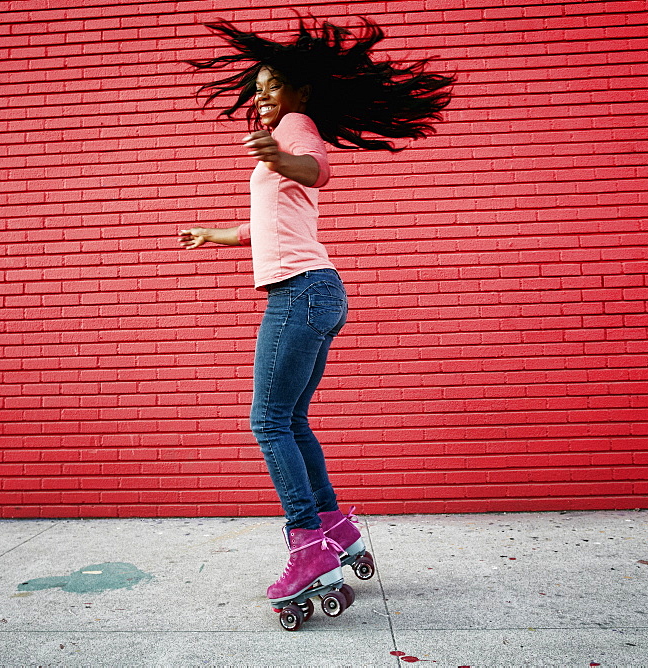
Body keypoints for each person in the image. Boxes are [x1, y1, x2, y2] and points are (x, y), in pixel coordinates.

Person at [180, 16, 453, 611]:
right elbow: (269, 225)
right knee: (292, 420)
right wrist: (216, 234)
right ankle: (335, 529)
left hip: (300, 293)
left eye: (271, 86)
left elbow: (318, 172)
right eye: (256, 89)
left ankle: (308, 544)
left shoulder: (297, 131)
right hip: (317, 291)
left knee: (268, 421)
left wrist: (279, 158)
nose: (260, 96)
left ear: (301, 91)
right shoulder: (286, 138)